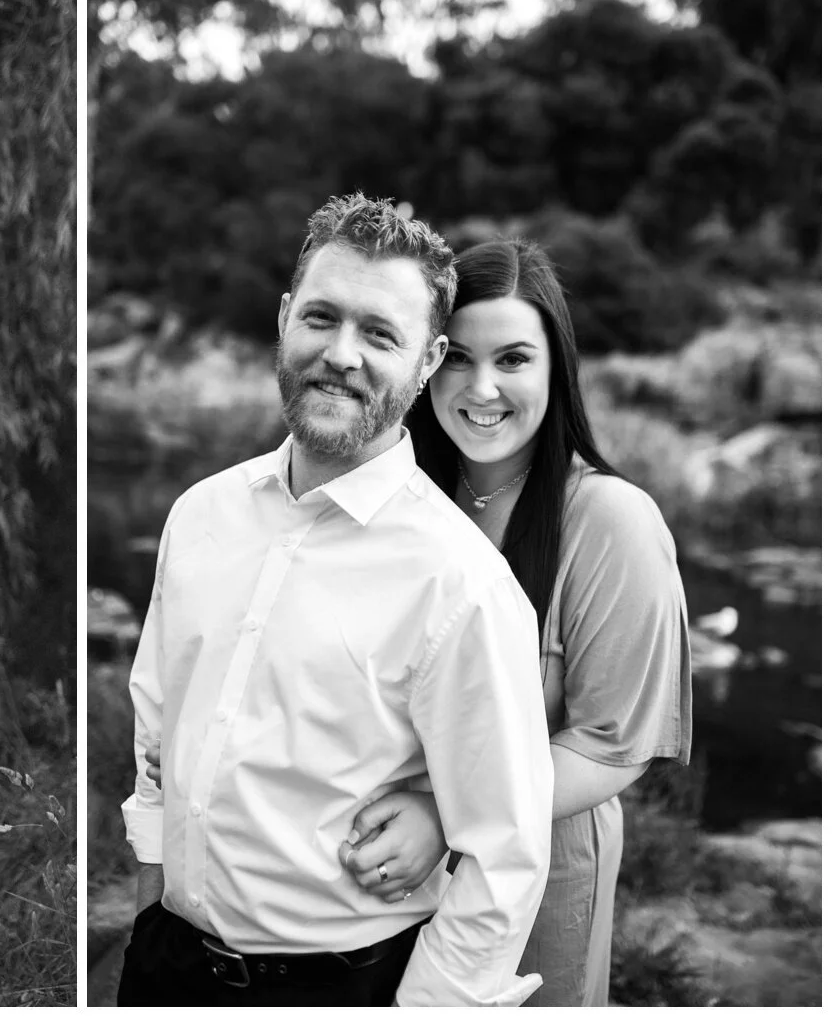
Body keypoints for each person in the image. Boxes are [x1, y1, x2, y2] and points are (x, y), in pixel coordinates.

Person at [118, 192, 554, 1006]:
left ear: (428, 361)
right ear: (286, 317)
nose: (341, 354)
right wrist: (150, 907)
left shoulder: (461, 582)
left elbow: (505, 856)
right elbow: (157, 724)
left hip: (339, 984)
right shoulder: (200, 514)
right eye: (322, 317)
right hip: (165, 966)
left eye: (381, 334)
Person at [337, 238, 693, 1006]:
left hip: (537, 865)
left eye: (513, 359)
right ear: (427, 361)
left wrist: (447, 816)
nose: (482, 388)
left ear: (557, 369)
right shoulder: (395, 499)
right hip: (378, 868)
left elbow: (609, 744)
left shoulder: (610, 521)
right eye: (459, 358)